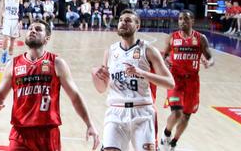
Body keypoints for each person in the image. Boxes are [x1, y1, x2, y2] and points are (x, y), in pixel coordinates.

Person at [0, 19, 100, 151]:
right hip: (20, 133)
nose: (32, 31)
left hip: (47, 134)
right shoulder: (13, 64)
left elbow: (75, 97)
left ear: (47, 39)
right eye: (30, 28)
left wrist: (89, 124)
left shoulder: (57, 63)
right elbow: (0, 95)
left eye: (38, 29)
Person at [91, 9, 175, 151]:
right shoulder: (110, 51)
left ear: (138, 26)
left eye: (128, 20)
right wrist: (96, 76)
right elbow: (101, 89)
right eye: (121, 20)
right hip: (116, 111)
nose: (123, 22)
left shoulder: (148, 50)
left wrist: (142, 73)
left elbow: (170, 83)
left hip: (142, 112)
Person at [160, 10, 215, 151]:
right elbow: (164, 55)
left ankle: (174, 142)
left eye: (185, 19)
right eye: (180, 19)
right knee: (177, 112)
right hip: (175, 80)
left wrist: (209, 63)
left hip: (192, 81)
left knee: (186, 116)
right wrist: (165, 61)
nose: (182, 21)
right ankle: (166, 135)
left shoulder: (201, 38)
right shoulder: (172, 37)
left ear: (192, 21)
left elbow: (210, 57)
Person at [0, 0, 23, 64]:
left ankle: (9, 58)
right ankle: (4, 53)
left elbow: (21, 11)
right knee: (5, 38)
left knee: (12, 42)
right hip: (7, 20)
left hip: (15, 20)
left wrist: (20, 21)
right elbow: (1, 9)